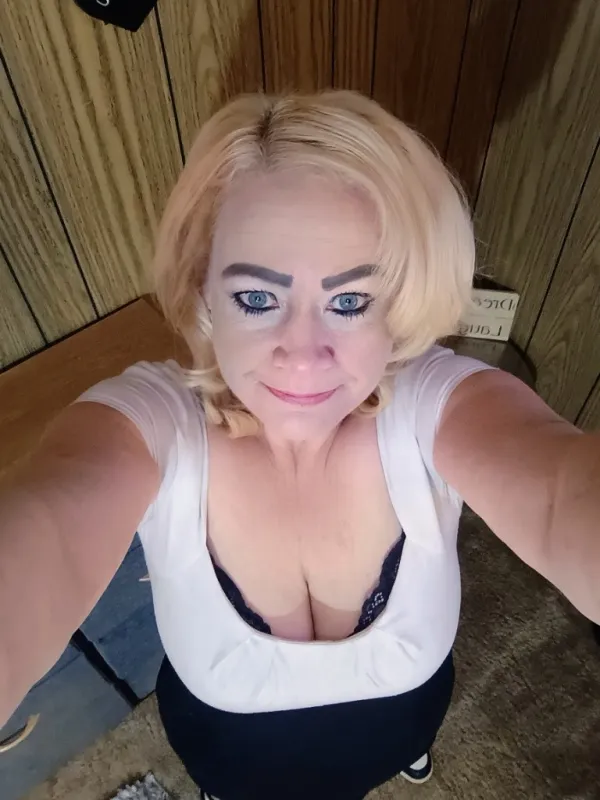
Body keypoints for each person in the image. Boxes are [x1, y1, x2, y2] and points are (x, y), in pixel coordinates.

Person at [1, 90, 598, 800]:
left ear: (399, 304)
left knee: (402, 744)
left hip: (406, 717)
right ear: (203, 291)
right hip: (228, 757)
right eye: (258, 298)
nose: (304, 355)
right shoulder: (156, 423)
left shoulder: (432, 402)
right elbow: (48, 525)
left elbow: (562, 493)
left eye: (350, 302)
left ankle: (409, 755)